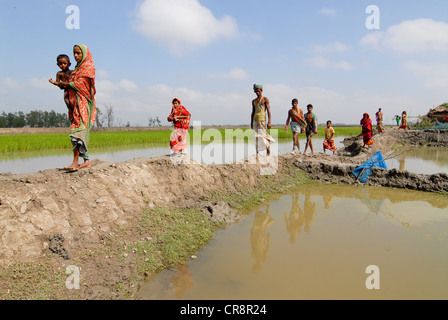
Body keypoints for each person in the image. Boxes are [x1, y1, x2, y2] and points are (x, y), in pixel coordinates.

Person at [54, 44, 96, 171]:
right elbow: (67, 85)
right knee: (80, 134)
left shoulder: (88, 67)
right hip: (75, 106)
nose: (76, 55)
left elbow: (82, 85)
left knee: (77, 133)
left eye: (79, 53)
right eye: (74, 53)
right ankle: (86, 161)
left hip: (83, 105)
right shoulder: (76, 69)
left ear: (84, 53)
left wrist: (67, 84)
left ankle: (75, 162)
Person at [251, 84, 275, 158]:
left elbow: (268, 111)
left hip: (262, 121)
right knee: (256, 137)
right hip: (255, 120)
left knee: (263, 136)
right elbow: (253, 112)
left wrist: (269, 122)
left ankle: (268, 150)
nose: (257, 93)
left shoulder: (265, 99)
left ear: (261, 91)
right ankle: (257, 152)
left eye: (258, 91)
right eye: (256, 91)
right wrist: (251, 122)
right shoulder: (254, 101)